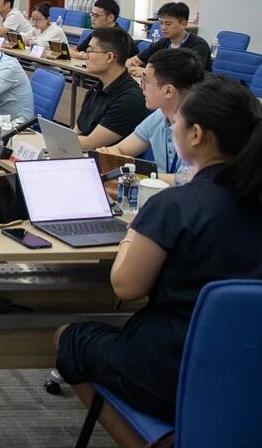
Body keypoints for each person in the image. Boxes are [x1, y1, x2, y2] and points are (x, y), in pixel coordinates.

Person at [55, 75, 262, 432]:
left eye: (177, 121)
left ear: (196, 134)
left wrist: (132, 232)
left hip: (174, 366)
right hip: (251, 365)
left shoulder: (174, 205)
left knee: (68, 338)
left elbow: (126, 286)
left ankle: (150, 441)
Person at [104, 47, 203, 176]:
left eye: (145, 80)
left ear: (168, 91)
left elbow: (186, 180)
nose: (141, 86)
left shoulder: (199, 130)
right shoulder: (160, 115)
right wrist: (105, 155)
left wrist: (140, 177)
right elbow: (120, 150)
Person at [75, 26, 149, 151]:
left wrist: (56, 138)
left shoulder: (129, 99)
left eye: (90, 51)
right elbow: (77, 130)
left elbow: (90, 144)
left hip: (103, 160)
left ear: (109, 57)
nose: (86, 56)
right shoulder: (96, 88)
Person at [127, 1, 212, 75]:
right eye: (161, 23)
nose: (163, 28)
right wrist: (130, 63)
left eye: (168, 24)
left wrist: (148, 72)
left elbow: (187, 76)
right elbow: (137, 59)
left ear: (183, 24)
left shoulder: (199, 46)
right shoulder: (164, 42)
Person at [71, 0, 138, 60]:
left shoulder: (120, 37)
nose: (92, 18)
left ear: (110, 18)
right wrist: (81, 55)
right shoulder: (98, 32)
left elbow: (104, 60)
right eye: (92, 14)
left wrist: (83, 55)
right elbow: (75, 50)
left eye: (96, 15)